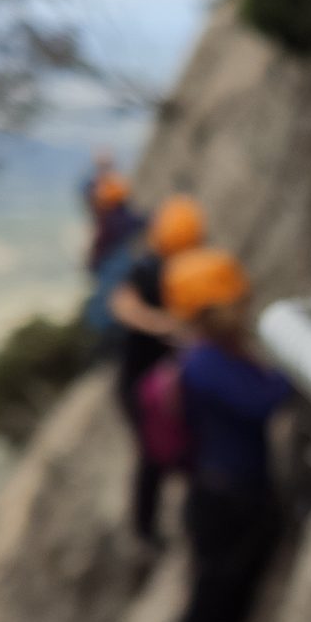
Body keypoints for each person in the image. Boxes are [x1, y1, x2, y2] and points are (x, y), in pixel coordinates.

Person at [109, 249, 292, 622]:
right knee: (206, 613)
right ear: (213, 310)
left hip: (220, 499)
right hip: (227, 505)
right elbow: (267, 399)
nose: (244, 308)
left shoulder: (208, 356)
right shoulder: (209, 362)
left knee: (212, 608)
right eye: (234, 301)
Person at [111, 193, 208, 546]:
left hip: (160, 381)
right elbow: (122, 304)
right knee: (153, 455)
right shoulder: (148, 268)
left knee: (176, 450)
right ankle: (145, 530)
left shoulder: (175, 269)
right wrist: (163, 326)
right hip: (139, 383)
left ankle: (173, 522)